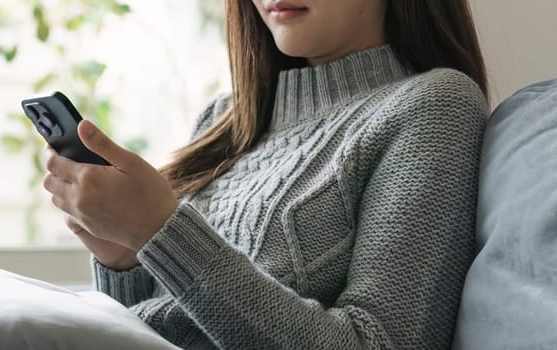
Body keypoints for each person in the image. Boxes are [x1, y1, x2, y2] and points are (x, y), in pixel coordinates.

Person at [42, 0, 487, 348]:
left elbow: (379, 341)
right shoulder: (223, 121)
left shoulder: (434, 107)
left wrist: (163, 231)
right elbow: (158, 330)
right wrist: (125, 259)